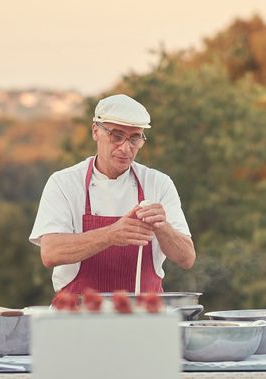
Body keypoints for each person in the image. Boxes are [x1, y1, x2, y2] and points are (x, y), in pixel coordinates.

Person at [29, 93, 195, 294]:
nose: (126, 148)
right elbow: (51, 252)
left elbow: (187, 258)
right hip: (77, 316)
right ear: (95, 131)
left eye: (135, 139)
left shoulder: (158, 183)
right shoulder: (64, 183)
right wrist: (111, 234)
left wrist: (163, 228)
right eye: (117, 136)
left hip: (144, 318)